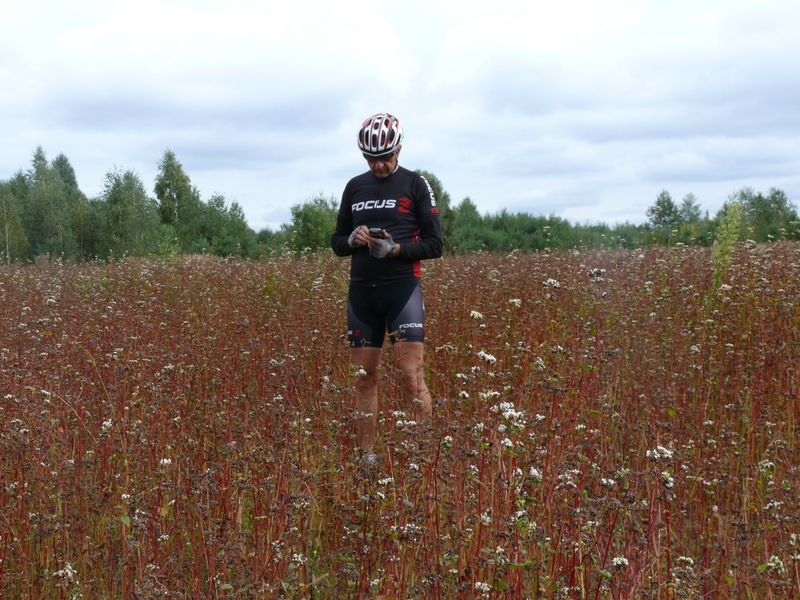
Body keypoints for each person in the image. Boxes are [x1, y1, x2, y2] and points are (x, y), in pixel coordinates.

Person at [331, 112, 444, 462]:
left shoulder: (415, 184)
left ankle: (423, 454)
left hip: (402, 292)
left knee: (410, 376)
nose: (379, 165)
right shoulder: (354, 186)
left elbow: (435, 245)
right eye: (371, 158)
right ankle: (367, 458)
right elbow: (337, 242)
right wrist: (352, 239)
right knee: (365, 377)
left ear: (399, 150)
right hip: (363, 293)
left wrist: (395, 249)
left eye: (385, 157)